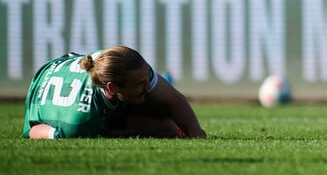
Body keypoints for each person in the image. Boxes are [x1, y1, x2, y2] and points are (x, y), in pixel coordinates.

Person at [22, 46, 206, 139]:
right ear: (112, 88)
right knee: (165, 127)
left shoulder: (110, 62)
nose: (147, 86)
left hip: (66, 69)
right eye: (140, 84)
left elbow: (174, 99)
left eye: (146, 79)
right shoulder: (80, 123)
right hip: (40, 89)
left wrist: (198, 135)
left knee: (162, 105)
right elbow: (34, 131)